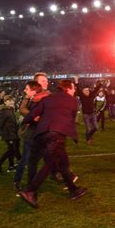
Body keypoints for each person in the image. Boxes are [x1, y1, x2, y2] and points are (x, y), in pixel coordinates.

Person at [19, 80, 87, 208]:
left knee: (63, 163)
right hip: (56, 134)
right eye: (73, 88)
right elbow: (71, 118)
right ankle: (30, 190)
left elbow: (32, 114)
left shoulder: (48, 98)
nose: (74, 91)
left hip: (40, 134)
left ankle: (74, 190)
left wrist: (25, 123)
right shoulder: (72, 100)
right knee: (51, 163)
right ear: (68, 89)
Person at [0, 95, 21, 174]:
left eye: (12, 100)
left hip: (12, 133)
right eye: (9, 100)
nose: (12, 102)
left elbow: (12, 122)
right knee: (11, 150)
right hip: (8, 134)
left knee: (11, 150)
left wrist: (18, 122)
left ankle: (11, 166)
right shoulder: (4, 111)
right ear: (5, 102)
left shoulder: (11, 110)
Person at [74, 77, 102, 144]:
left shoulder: (92, 95)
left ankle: (89, 136)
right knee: (88, 128)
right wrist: (76, 80)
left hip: (93, 114)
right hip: (86, 115)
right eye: (85, 91)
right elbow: (77, 88)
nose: (87, 92)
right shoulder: (82, 96)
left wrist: (100, 82)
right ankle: (88, 139)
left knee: (96, 127)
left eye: (88, 90)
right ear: (83, 92)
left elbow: (97, 89)